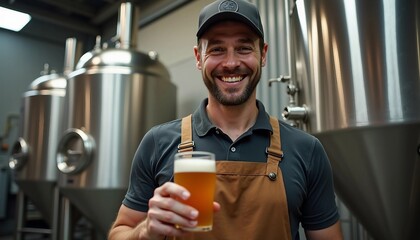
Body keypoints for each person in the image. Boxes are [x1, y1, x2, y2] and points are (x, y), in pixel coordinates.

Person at [108, 0, 343, 239]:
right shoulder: (158, 142)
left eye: (243, 48)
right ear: (198, 57)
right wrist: (144, 231)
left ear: (263, 54)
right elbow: (119, 232)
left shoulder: (306, 149)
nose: (231, 63)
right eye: (217, 49)